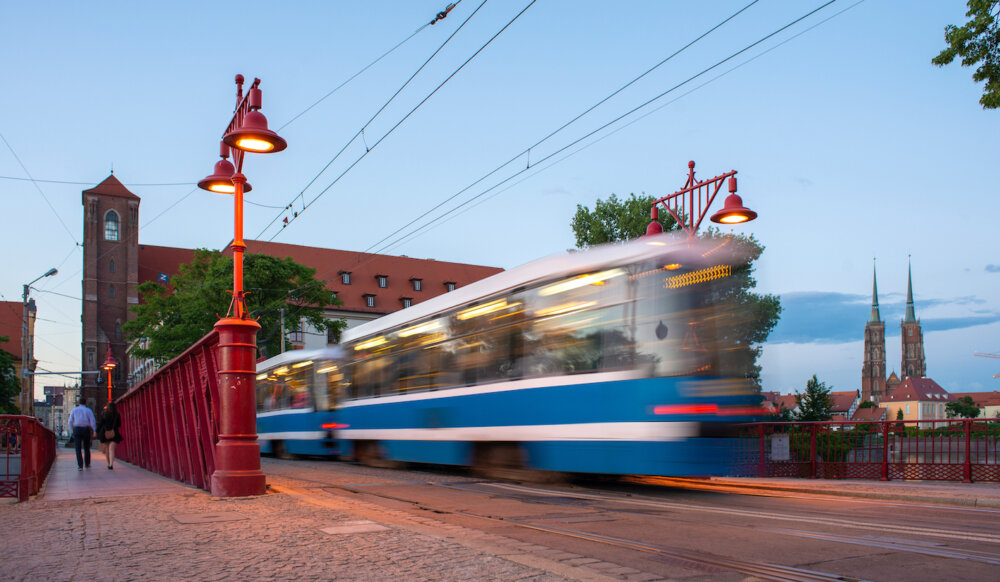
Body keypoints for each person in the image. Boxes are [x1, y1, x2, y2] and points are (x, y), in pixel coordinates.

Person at [67, 397, 97, 470]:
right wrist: (94, 430)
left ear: (78, 403)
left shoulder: (74, 410)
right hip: (86, 429)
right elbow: (92, 421)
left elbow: (70, 421)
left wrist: (73, 429)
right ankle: (87, 463)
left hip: (77, 429)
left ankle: (80, 465)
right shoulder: (88, 410)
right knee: (87, 447)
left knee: (78, 448)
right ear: (85, 403)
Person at [97, 401, 123, 470]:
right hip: (114, 433)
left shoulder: (104, 414)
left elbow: (100, 424)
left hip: (105, 433)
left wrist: (96, 431)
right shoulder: (117, 414)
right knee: (112, 449)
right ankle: (111, 464)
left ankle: (108, 464)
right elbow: (119, 424)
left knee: (107, 449)